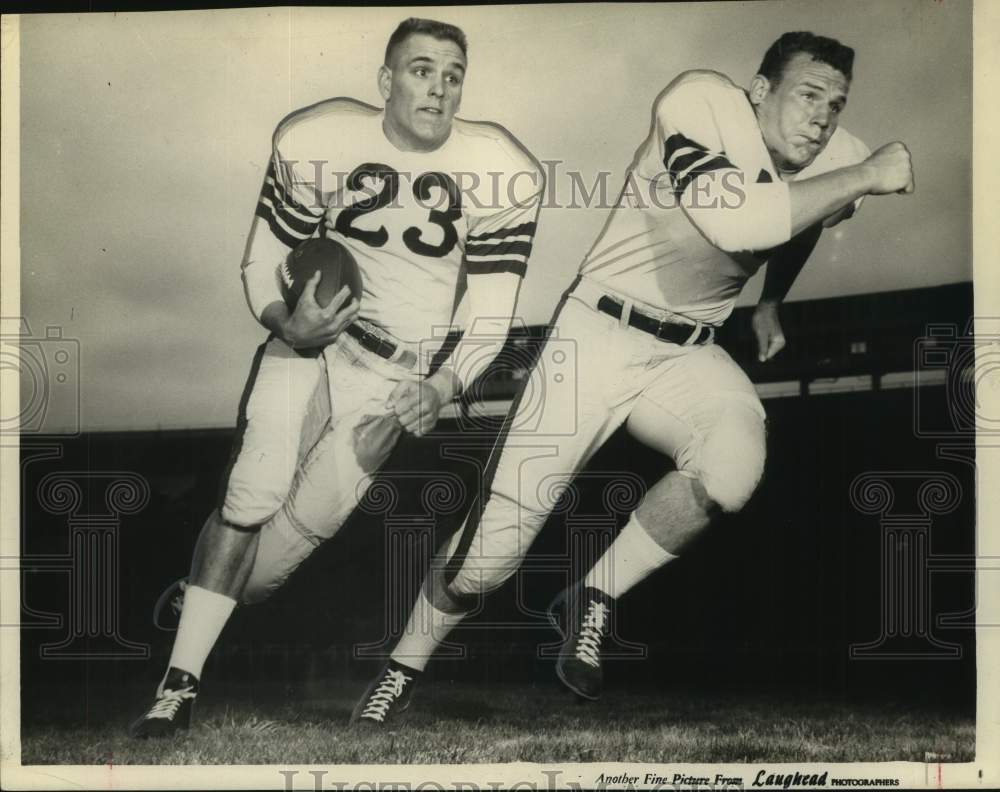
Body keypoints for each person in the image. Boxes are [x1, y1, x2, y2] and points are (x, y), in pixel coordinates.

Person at [351, 30, 914, 725]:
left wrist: (771, 299)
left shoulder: (839, 152)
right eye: (807, 95)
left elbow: (803, 221)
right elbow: (741, 221)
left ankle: (594, 597)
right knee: (486, 559)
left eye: (836, 103)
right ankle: (402, 668)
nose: (823, 116)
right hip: (597, 333)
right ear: (760, 89)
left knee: (734, 464)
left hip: (687, 350)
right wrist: (863, 177)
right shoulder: (701, 102)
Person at [129, 17, 544, 738]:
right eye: (420, 69)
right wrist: (285, 323)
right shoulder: (318, 138)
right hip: (314, 341)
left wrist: (441, 388)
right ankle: (178, 684)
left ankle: (202, 590)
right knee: (251, 490)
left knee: (265, 574)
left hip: (395, 376)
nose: (438, 88)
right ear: (386, 80)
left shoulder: (502, 169)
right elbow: (263, 258)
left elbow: (491, 319)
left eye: (452, 74)